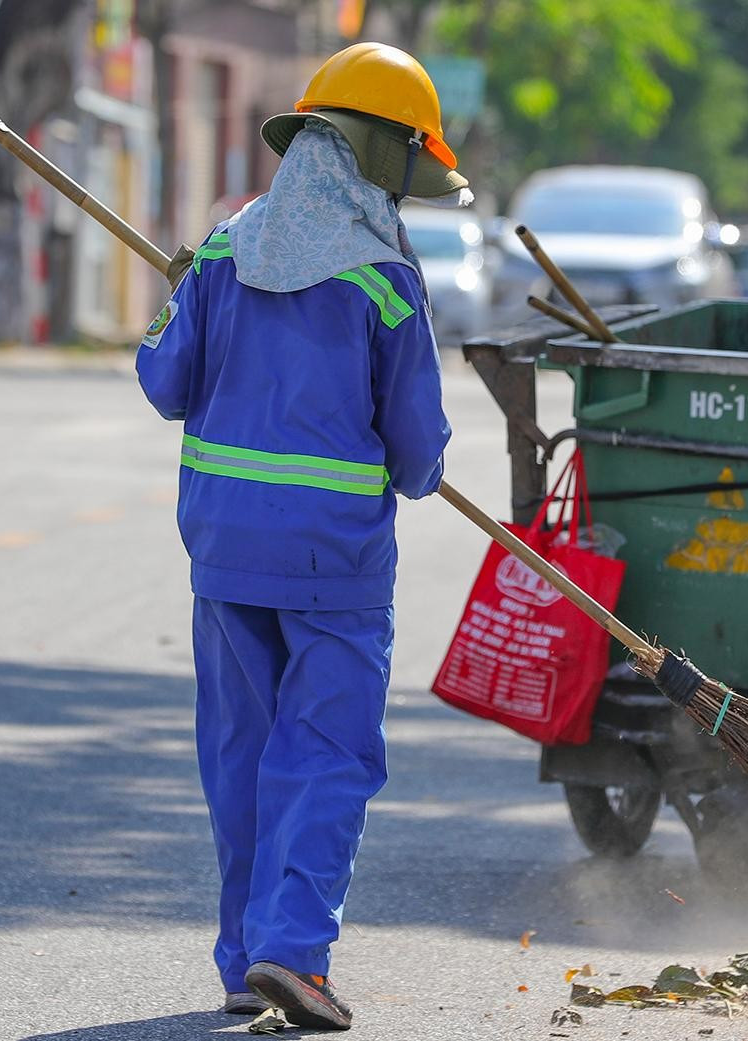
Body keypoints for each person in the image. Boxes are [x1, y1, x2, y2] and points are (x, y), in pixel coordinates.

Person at [134, 42, 461, 1031]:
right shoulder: (385, 285)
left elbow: (162, 385)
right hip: (336, 570)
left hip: (224, 554)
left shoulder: (224, 257)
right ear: (378, 157)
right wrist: (426, 463)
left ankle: (246, 961)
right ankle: (294, 956)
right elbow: (417, 460)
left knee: (238, 756)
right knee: (325, 756)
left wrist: (178, 293)